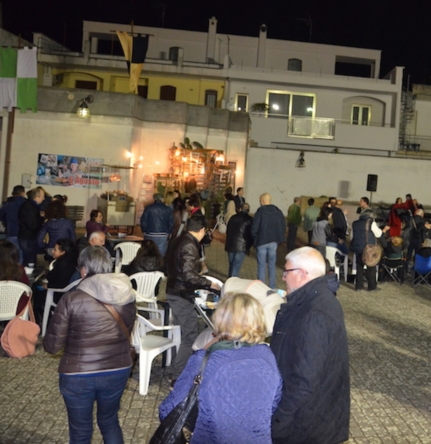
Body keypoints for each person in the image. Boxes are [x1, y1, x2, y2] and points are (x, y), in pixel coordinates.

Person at [159, 292, 283, 443]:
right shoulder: (268, 356)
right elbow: (274, 403)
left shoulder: (203, 360)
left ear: (221, 320)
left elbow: (168, 409)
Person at [43, 246, 136, 444]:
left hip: (78, 373)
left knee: (80, 430)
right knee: (110, 421)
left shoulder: (71, 299)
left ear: (84, 269)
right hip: (118, 368)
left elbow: (52, 346)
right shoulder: (126, 296)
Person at [270, 247, 349, 444]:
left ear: (302, 274)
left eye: (286, 272)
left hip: (304, 423)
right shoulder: (319, 299)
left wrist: (278, 418)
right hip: (315, 417)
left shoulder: (314, 313)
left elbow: (304, 379)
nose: (283, 277)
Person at [165, 213, 221, 383]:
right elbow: (189, 275)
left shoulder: (177, 240)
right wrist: (208, 283)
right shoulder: (189, 245)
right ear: (202, 230)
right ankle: (177, 376)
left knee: (182, 331)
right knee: (190, 335)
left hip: (174, 290)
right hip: (181, 294)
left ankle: (176, 367)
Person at [251, 193, 286, 288]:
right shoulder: (278, 212)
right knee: (272, 265)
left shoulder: (260, 212)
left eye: (260, 201)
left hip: (262, 241)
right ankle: (272, 286)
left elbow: (254, 228)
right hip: (274, 241)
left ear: (263, 201)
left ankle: (261, 286)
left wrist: (254, 237)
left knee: (261, 265)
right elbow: (283, 226)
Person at [350, 198, 385, 291]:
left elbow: (351, 236)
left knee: (359, 267)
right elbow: (378, 234)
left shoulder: (355, 223)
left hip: (358, 247)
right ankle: (372, 287)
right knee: (371, 267)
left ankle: (358, 286)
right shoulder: (371, 223)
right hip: (368, 248)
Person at [0, 185, 28, 263]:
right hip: (24, 233)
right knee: (22, 254)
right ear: (23, 193)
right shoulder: (27, 204)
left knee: (11, 254)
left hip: (11, 232)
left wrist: (6, 222)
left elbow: (1, 216)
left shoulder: (8, 204)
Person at [18, 187, 45, 267]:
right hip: (28, 237)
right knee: (29, 259)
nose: (43, 199)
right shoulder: (30, 207)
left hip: (27, 236)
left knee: (28, 257)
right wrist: (41, 219)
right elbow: (32, 225)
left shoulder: (30, 206)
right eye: (42, 196)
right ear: (36, 197)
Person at [225, 203, 253, 278]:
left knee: (232, 264)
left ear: (240, 209)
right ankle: (232, 281)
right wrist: (250, 245)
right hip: (242, 246)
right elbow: (251, 234)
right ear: (248, 210)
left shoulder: (233, 218)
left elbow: (228, 230)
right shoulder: (250, 219)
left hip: (231, 244)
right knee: (236, 266)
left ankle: (230, 279)